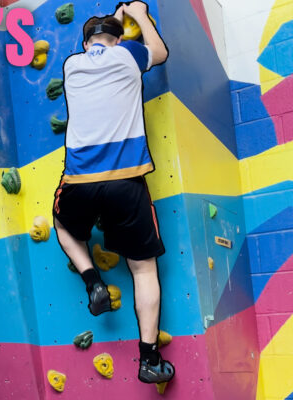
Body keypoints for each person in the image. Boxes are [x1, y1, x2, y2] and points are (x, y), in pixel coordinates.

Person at [52, 1, 173, 384]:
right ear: (119, 40)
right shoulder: (128, 55)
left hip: (80, 183)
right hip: (126, 180)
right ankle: (149, 359)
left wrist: (113, 21)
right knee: (142, 269)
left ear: (87, 43)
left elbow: (99, 45)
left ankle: (93, 282)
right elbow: (160, 52)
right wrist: (138, 13)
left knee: (63, 223)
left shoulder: (72, 66)